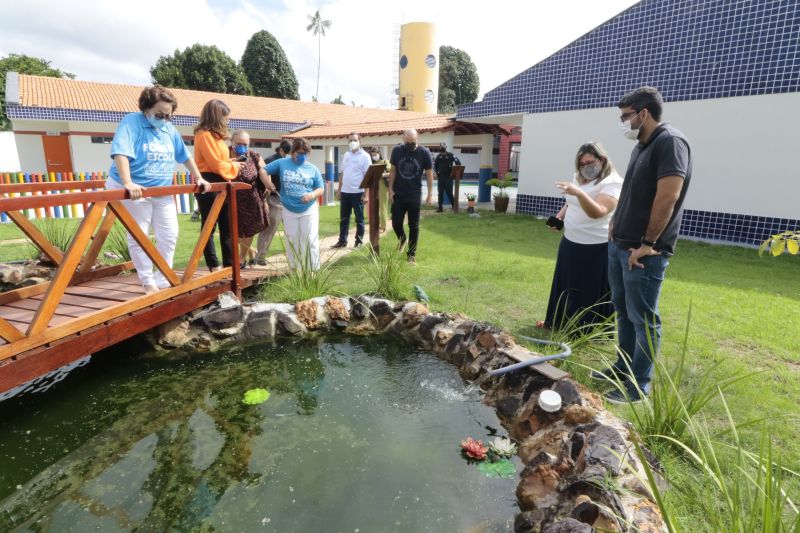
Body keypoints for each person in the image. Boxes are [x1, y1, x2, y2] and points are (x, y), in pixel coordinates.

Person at [594, 86, 692, 405]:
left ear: (643, 113)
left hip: (643, 253)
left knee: (644, 318)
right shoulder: (641, 146)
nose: (623, 122)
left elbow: (668, 197)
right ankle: (622, 368)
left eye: (626, 116)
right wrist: (615, 222)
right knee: (623, 312)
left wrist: (647, 244)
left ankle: (639, 384)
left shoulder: (671, 143)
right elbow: (634, 191)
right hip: (620, 245)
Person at [106, 85, 210, 294]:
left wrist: (198, 177)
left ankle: (163, 277)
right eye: (159, 114)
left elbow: (184, 155)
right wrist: (128, 182)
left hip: (161, 190)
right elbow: (121, 153)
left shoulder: (168, 129)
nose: (164, 118)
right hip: (136, 189)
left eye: (168, 115)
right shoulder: (132, 123)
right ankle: (147, 282)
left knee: (169, 234)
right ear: (146, 109)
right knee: (140, 235)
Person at [538, 142, 623, 331]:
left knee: (589, 290)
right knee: (565, 284)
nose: (586, 167)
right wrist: (560, 216)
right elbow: (571, 202)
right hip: (570, 241)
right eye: (582, 164)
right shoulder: (579, 177)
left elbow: (598, 211)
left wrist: (578, 193)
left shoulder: (613, 182)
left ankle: (586, 331)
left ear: (602, 160)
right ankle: (557, 323)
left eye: (590, 162)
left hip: (596, 247)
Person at [193, 99, 242, 271]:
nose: (227, 121)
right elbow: (214, 164)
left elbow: (221, 161)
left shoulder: (218, 138)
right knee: (209, 226)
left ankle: (231, 264)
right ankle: (213, 264)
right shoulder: (204, 135)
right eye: (225, 117)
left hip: (222, 181)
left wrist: (231, 162)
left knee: (227, 225)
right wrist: (233, 166)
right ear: (216, 116)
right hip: (209, 181)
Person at [265, 138, 324, 270]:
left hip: (308, 209)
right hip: (288, 209)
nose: (302, 156)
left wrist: (311, 195)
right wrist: (267, 183)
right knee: (292, 240)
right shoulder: (282, 163)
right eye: (299, 153)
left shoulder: (313, 168)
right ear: (293, 152)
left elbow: (321, 188)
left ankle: (312, 271)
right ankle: (295, 269)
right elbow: (263, 170)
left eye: (305, 153)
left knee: (309, 239)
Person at [229, 130, 275, 266]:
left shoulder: (253, 155)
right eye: (238, 143)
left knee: (248, 232)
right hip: (230, 199)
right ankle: (251, 251)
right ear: (232, 142)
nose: (241, 146)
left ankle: (241, 258)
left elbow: (265, 171)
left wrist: (267, 185)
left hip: (251, 200)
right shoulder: (225, 154)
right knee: (233, 232)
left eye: (245, 144)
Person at [388, 129, 433, 263]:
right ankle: (402, 239)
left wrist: (430, 194)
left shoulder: (424, 153)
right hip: (398, 193)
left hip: (414, 194)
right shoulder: (397, 151)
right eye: (407, 143)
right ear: (403, 139)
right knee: (396, 223)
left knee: (414, 225)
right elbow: (393, 171)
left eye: (412, 143)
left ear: (417, 139)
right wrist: (390, 189)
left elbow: (429, 174)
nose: (410, 145)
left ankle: (411, 255)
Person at [255, 140, 291, 266]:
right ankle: (260, 257)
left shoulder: (286, 161)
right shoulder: (272, 160)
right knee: (270, 228)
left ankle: (294, 256)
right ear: (281, 149)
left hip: (288, 200)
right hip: (275, 199)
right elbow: (261, 175)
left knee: (292, 229)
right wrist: (268, 186)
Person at [332, 133, 371, 248]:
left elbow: (367, 176)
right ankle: (342, 241)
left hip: (358, 193)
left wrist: (366, 195)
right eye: (350, 140)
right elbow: (342, 173)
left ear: (360, 141)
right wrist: (339, 189)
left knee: (359, 219)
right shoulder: (346, 155)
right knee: (344, 219)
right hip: (345, 192)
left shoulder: (365, 156)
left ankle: (358, 242)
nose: (352, 142)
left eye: (354, 140)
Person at [369, 147, 391, 232]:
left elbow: (391, 172)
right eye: (373, 155)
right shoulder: (370, 163)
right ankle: (375, 225)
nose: (374, 156)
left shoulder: (385, 162)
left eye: (375, 154)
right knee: (374, 207)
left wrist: (383, 175)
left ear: (379, 154)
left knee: (383, 206)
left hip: (383, 187)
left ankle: (383, 226)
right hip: (373, 187)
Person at [434, 142, 460, 212]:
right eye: (440, 150)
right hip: (440, 177)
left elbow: (458, 162)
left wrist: (453, 172)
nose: (441, 152)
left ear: (445, 148)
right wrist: (436, 173)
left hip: (448, 177)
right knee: (440, 193)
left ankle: (454, 206)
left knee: (449, 192)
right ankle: (440, 208)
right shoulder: (438, 156)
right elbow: (435, 166)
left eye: (442, 150)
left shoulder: (451, 155)